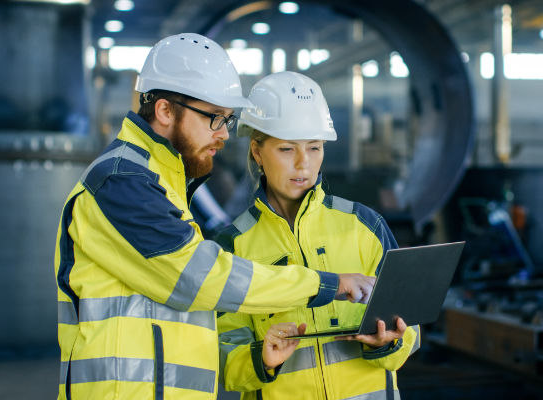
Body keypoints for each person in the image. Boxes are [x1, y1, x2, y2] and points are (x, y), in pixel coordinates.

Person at [53, 33, 375, 400]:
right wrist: (323, 284)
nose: (224, 134)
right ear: (164, 111)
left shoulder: (162, 181)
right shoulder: (121, 181)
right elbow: (200, 278)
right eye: (214, 118)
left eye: (227, 119)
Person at [217, 71, 421, 400]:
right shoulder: (233, 247)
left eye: (314, 147)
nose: (303, 164)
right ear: (257, 151)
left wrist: (391, 341)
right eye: (286, 149)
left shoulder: (365, 226)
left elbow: (410, 325)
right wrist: (262, 360)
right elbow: (223, 355)